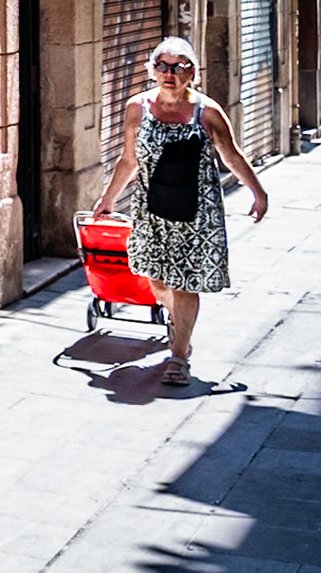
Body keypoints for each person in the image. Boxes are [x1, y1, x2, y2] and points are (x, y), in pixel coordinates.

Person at [94, 37, 269, 385]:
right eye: (162, 66)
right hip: (152, 208)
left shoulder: (208, 112)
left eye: (178, 66)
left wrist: (258, 192)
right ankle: (179, 325)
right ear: (152, 70)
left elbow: (231, 155)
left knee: (185, 283)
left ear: (192, 72)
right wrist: (108, 199)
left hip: (196, 212)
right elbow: (129, 159)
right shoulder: (137, 108)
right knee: (157, 282)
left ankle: (179, 355)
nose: (169, 73)